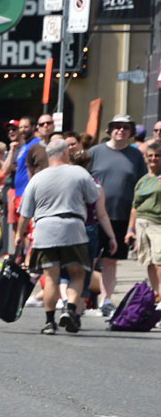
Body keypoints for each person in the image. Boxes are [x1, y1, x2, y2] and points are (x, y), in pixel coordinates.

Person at [18, 138, 107, 336]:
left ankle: (49, 322)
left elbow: (25, 213)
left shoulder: (37, 178)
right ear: (65, 153)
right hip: (72, 228)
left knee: (51, 278)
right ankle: (70, 310)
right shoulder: (79, 173)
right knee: (77, 273)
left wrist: (18, 235)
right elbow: (94, 196)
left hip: (44, 230)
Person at [88, 114, 147, 316]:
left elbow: (141, 186)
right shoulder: (95, 152)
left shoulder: (136, 155)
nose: (120, 130)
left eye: (125, 127)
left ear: (130, 132)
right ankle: (80, 299)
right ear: (110, 130)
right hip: (94, 217)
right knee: (89, 259)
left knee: (110, 261)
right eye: (116, 126)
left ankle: (105, 300)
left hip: (122, 216)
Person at [123, 141, 161, 297]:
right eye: (150, 155)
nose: (153, 158)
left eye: (157, 155)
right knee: (149, 260)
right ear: (145, 158)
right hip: (141, 223)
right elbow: (135, 207)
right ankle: (156, 293)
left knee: (159, 259)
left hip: (157, 223)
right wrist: (129, 230)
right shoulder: (143, 180)